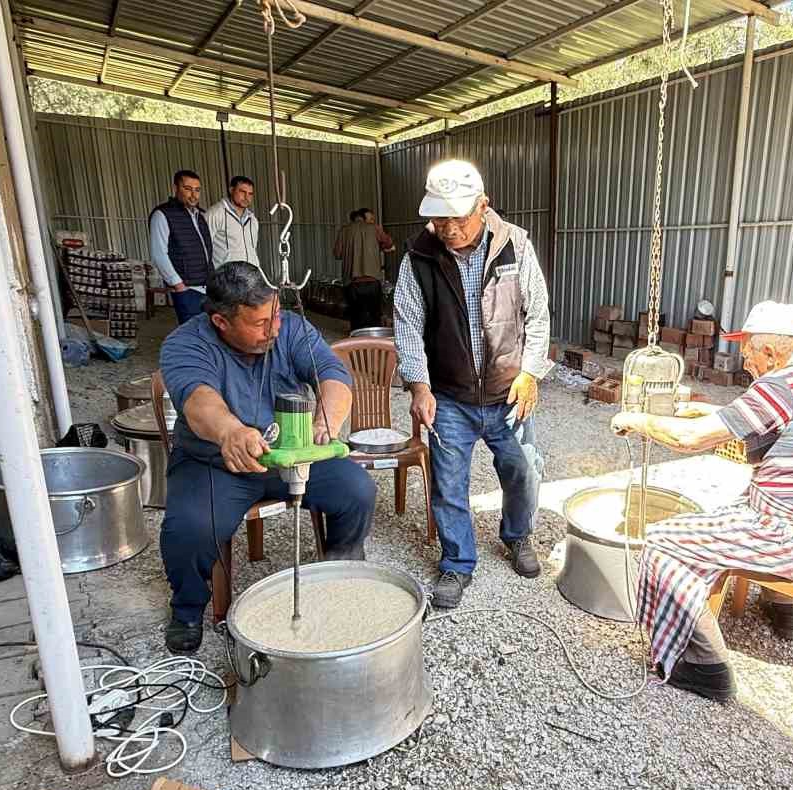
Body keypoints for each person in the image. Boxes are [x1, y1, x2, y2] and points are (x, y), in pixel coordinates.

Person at [610, 302, 793, 702]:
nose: (744, 359)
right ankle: (782, 607)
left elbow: (690, 439)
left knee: (663, 541)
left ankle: (705, 667)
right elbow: (772, 418)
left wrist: (638, 421)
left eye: (749, 350)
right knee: (731, 505)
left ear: (772, 352)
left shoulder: (779, 386)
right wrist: (715, 412)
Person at [158, 262, 376, 653]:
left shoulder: (289, 327)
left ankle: (342, 574)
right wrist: (231, 432)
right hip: (216, 461)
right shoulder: (184, 344)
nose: (273, 328)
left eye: (275, 314)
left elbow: (333, 374)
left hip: (288, 455)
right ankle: (188, 608)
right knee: (189, 529)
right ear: (222, 322)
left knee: (356, 490)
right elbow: (198, 401)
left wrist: (327, 421)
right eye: (259, 323)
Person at [394, 160, 551, 608]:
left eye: (458, 217)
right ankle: (457, 561)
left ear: (484, 206)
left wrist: (531, 372)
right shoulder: (417, 257)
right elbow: (407, 325)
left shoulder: (515, 245)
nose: (448, 228)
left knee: (522, 471)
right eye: (439, 217)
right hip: (450, 396)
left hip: (508, 392)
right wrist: (419, 387)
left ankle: (518, 536)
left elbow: (537, 315)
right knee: (448, 483)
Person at [150, 169, 213, 324]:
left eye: (197, 190)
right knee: (192, 336)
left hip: (208, 287)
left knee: (210, 332)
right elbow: (159, 254)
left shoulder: (201, 215)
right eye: (188, 189)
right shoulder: (163, 214)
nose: (193, 195)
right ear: (176, 188)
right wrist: (178, 284)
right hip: (187, 289)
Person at [334, 207, 395, 331]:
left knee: (356, 318)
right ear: (364, 218)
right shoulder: (375, 228)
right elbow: (389, 244)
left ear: (351, 220)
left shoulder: (344, 231)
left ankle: (358, 343)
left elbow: (337, 254)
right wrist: (379, 247)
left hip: (352, 283)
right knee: (374, 316)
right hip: (373, 280)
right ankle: (374, 343)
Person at [206, 175, 260, 270]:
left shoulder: (252, 219)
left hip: (250, 277)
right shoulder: (215, 214)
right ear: (231, 190)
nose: (246, 197)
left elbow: (253, 249)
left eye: (250, 194)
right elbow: (204, 247)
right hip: (226, 278)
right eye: (242, 192)